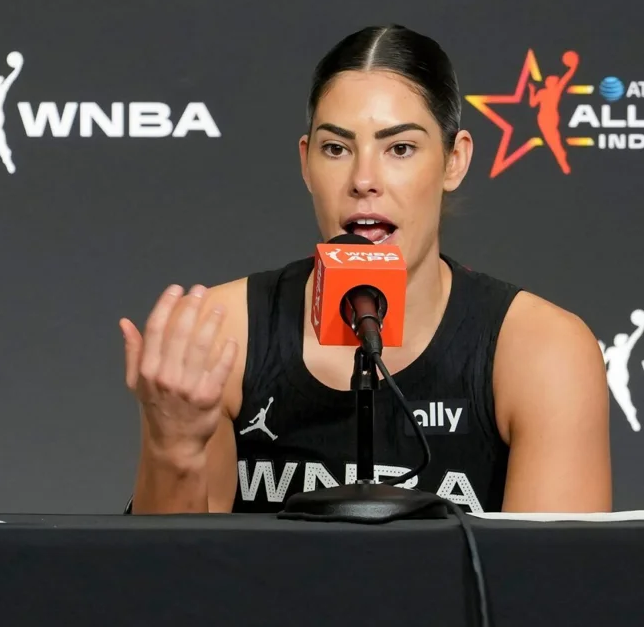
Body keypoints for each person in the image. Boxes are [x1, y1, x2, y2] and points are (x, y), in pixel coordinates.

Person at [122, 25, 611, 514]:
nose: (363, 180)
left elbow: (547, 565)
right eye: (336, 149)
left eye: (400, 148)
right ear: (306, 163)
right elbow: (174, 561)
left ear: (454, 161)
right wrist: (174, 448)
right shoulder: (222, 332)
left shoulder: (542, 351)